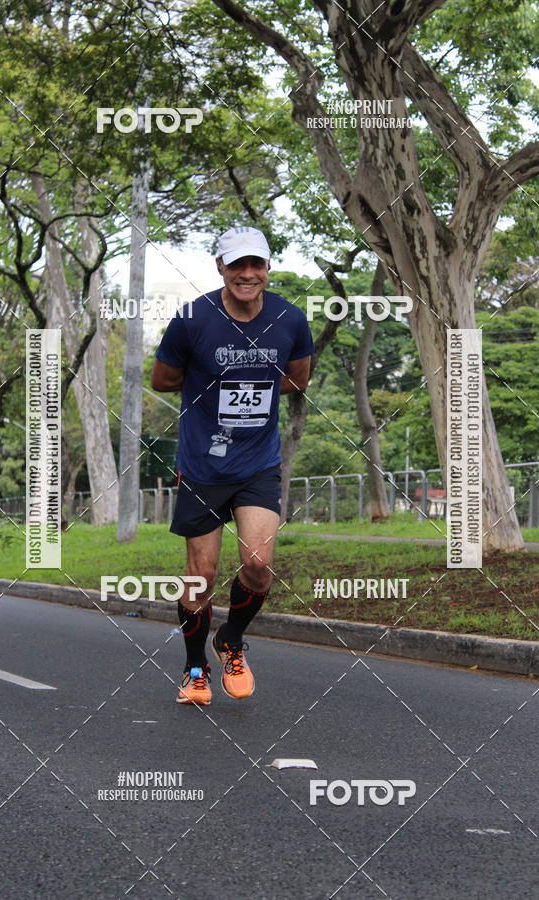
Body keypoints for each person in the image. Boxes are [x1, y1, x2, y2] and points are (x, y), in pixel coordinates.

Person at [151, 226, 314, 705]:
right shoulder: (192, 319)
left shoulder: (290, 318)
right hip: (202, 465)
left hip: (258, 463)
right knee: (201, 577)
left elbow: (296, 379)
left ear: (267, 267)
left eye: (255, 264)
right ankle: (195, 668)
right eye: (237, 264)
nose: (247, 274)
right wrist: (212, 386)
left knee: (258, 565)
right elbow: (163, 379)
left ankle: (231, 640)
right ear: (220, 266)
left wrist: (249, 384)